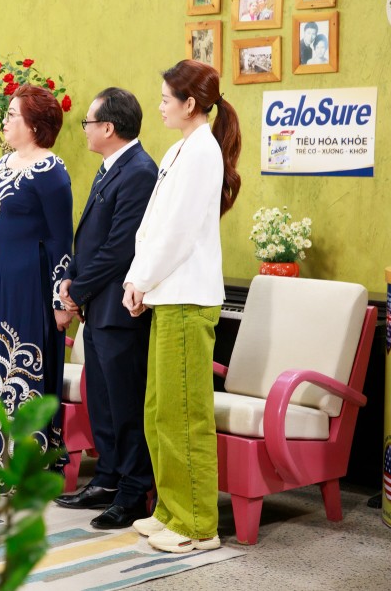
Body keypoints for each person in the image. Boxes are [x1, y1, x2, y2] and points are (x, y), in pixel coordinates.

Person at [122, 59, 242, 553]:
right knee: (159, 411)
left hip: (188, 300)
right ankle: (170, 510)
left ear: (190, 104)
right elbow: (153, 226)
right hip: (167, 296)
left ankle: (197, 525)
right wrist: (137, 280)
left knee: (183, 417)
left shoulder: (202, 153)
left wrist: (142, 279)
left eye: (166, 99)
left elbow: (178, 233)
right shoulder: (179, 149)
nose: (159, 107)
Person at [53, 88, 157, 530]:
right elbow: (90, 238)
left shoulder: (140, 171)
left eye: (89, 123)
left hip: (120, 309)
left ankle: (134, 492)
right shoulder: (111, 166)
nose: (85, 130)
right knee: (103, 402)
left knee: (125, 405)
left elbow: (119, 248)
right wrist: (72, 279)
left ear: (109, 127)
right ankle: (108, 478)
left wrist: (77, 291)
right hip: (99, 307)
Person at [0, 84, 73, 470]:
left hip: (29, 285)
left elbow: (62, 239)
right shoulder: (3, 163)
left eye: (12, 115)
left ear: (34, 125)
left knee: (22, 365)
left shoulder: (51, 171)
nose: (5, 121)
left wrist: (60, 301)